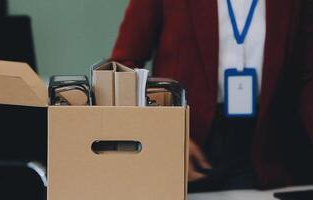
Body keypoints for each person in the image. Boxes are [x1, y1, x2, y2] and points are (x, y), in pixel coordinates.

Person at [110, 0, 313, 192]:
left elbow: (307, 75)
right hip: (188, 147)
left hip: (268, 150)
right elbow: (123, 67)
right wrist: (164, 133)